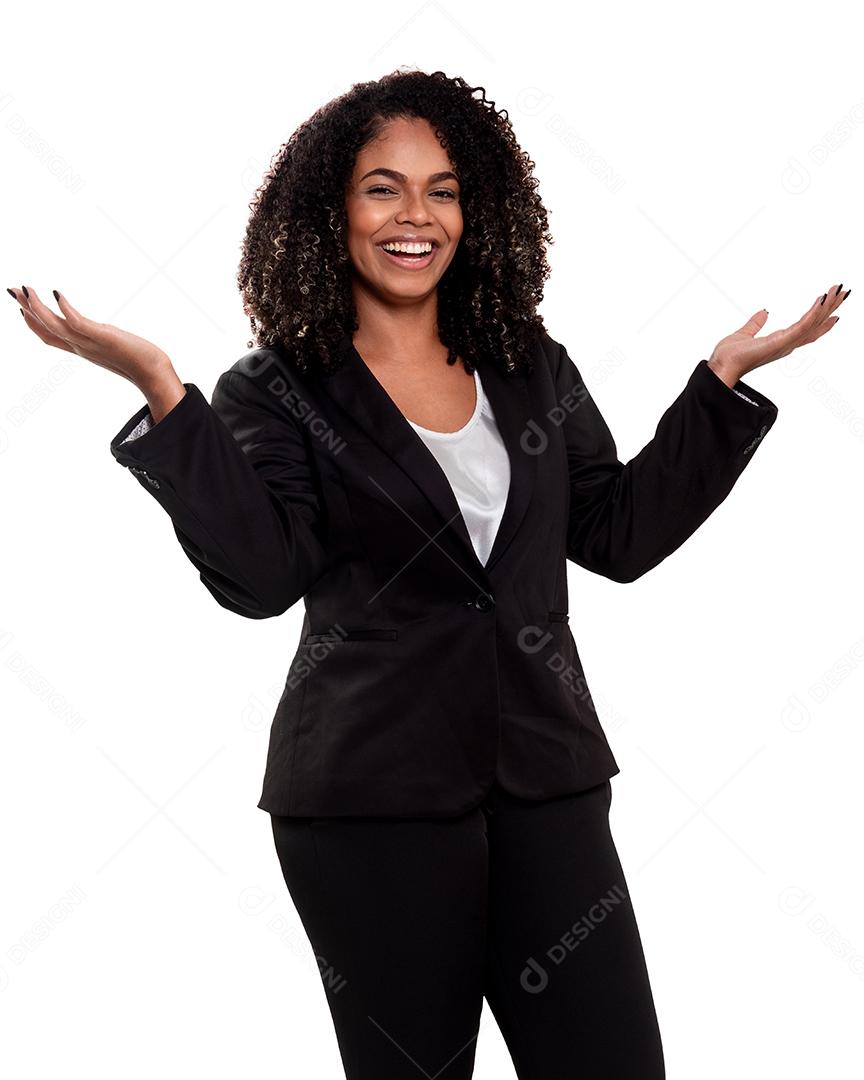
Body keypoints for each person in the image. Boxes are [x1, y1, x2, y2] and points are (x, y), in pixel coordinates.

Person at [11, 68, 849, 1080]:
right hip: (370, 799)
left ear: (474, 209)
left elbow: (616, 534)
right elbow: (263, 575)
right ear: (333, 210)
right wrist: (164, 393)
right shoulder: (275, 390)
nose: (416, 215)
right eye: (383, 187)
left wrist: (717, 392)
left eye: (442, 189)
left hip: (546, 778)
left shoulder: (529, 364)